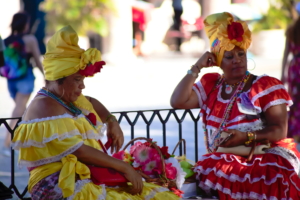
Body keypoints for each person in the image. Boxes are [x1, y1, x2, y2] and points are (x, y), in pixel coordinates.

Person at [11, 25, 179, 200]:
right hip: (55, 182)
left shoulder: (64, 97)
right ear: (57, 79)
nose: (82, 86)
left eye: (82, 79)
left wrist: (111, 120)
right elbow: (79, 151)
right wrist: (125, 167)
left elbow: (91, 102)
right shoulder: (46, 104)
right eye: (77, 80)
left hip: (80, 175)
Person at [171, 12, 300, 199]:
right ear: (217, 60)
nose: (237, 60)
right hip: (224, 157)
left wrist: (246, 137)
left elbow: (279, 130)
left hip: (264, 155)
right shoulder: (211, 84)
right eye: (229, 56)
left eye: (241, 54)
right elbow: (177, 101)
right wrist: (197, 67)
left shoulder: (265, 86)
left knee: (259, 175)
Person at [1, 12, 44, 157]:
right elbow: (38, 61)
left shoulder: (6, 41)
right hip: (25, 79)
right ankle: (7, 142)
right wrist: (47, 77)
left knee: (21, 111)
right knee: (19, 111)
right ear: (25, 24)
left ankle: (29, 140)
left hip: (11, 81)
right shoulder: (30, 39)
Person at [281, 2, 300, 142]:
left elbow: (285, 54)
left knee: (294, 101)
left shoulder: (291, 30)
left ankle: (294, 132)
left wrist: (283, 73)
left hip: (294, 68)